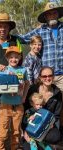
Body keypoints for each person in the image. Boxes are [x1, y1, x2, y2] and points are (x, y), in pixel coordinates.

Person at [19, 1, 63, 130]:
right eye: (49, 14)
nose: (52, 15)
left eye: (54, 12)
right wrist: (7, 36)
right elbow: (23, 39)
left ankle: (59, 130)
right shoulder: (40, 30)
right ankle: (39, 129)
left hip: (61, 74)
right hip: (46, 76)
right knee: (42, 103)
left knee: (61, 104)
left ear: (58, 14)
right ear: (45, 17)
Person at [0, 46, 30, 150]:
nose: (14, 59)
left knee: (16, 131)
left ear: (20, 57)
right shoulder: (3, 69)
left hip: (18, 105)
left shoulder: (23, 70)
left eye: (16, 57)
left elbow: (27, 83)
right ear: (7, 58)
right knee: (3, 131)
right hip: (5, 105)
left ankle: (15, 147)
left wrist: (24, 97)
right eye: (11, 57)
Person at [24, 66, 62, 148]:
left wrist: (52, 125)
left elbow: (57, 115)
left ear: (53, 77)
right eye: (44, 76)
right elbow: (26, 109)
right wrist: (25, 128)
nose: (47, 78)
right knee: (27, 147)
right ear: (40, 78)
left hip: (48, 125)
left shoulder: (57, 93)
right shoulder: (33, 89)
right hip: (32, 124)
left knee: (56, 137)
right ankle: (37, 141)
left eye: (50, 76)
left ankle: (39, 141)